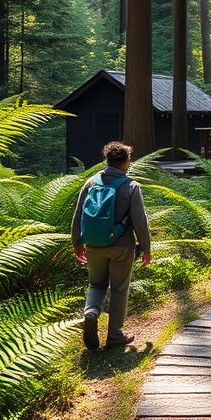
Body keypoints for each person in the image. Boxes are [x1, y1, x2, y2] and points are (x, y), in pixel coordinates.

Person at [71, 141, 152, 350]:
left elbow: (78, 214)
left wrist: (77, 242)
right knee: (119, 289)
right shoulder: (131, 186)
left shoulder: (91, 182)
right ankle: (115, 336)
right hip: (122, 247)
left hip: (93, 244)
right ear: (126, 162)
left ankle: (91, 312)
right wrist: (146, 248)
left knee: (96, 285)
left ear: (107, 160)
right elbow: (139, 221)